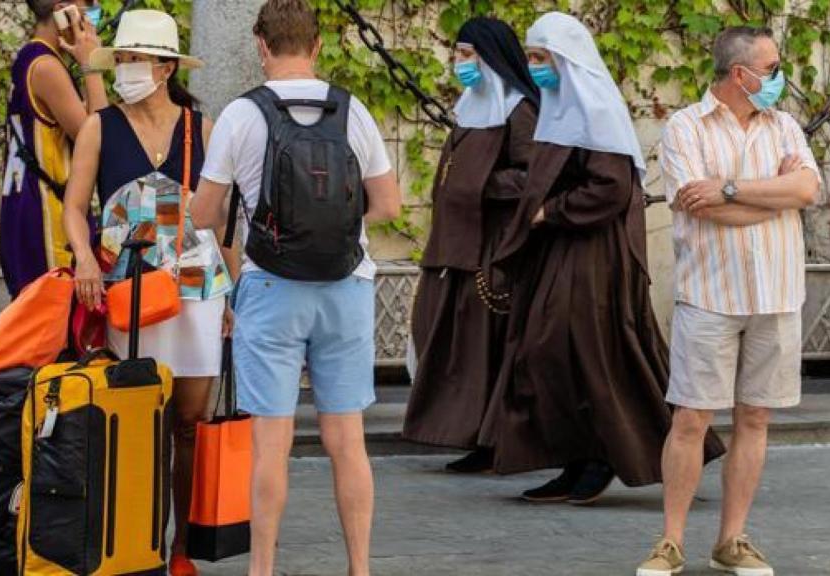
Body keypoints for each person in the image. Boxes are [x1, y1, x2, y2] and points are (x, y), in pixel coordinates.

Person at [189, 1, 401, 575]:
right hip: (345, 286)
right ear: (317, 46)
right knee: (347, 440)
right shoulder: (352, 112)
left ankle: (262, 569)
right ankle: (359, 568)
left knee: (271, 444)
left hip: (271, 287)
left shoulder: (241, 115)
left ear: (260, 45)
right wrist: (337, 219)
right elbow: (388, 204)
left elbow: (206, 214)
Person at [479, 12, 724, 505]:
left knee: (586, 352)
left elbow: (610, 188)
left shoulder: (596, 113)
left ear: (566, 63)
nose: (533, 67)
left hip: (594, 255)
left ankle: (602, 456)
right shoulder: (559, 109)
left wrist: (553, 210)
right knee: (558, 352)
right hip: (563, 251)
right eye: (529, 57)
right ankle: (580, 457)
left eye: (540, 58)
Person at [637, 26, 819, 576]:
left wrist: (733, 187)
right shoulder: (684, 128)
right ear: (741, 74)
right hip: (711, 295)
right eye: (771, 67)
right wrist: (774, 196)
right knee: (692, 417)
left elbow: (807, 190)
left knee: (756, 416)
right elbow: (699, 206)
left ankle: (732, 540)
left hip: (777, 292)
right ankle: (670, 542)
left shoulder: (784, 125)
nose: (779, 76)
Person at [63, 10, 236, 576]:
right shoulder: (99, 125)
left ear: (164, 68)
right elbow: (73, 205)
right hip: (129, 287)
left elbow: (223, 221)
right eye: (123, 59)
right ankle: (131, 545)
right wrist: (85, 256)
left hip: (197, 288)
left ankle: (180, 547)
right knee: (134, 419)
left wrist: (235, 294)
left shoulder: (201, 129)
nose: (127, 70)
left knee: (187, 422)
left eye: (137, 59)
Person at [402, 17, 539, 474]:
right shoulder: (472, 105)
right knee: (454, 344)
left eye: (466, 54)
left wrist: (481, 182)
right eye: (457, 53)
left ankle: (495, 442)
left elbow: (533, 178)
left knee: (487, 349)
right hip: (456, 246)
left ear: (489, 57)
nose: (458, 63)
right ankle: (471, 437)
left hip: (492, 249)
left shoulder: (518, 110)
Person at [0, 0, 108, 298]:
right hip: (47, 217)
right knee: (53, 330)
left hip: (23, 208)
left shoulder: (30, 57)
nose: (94, 16)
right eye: (89, 8)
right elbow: (100, 134)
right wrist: (91, 63)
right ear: (66, 10)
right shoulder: (46, 67)